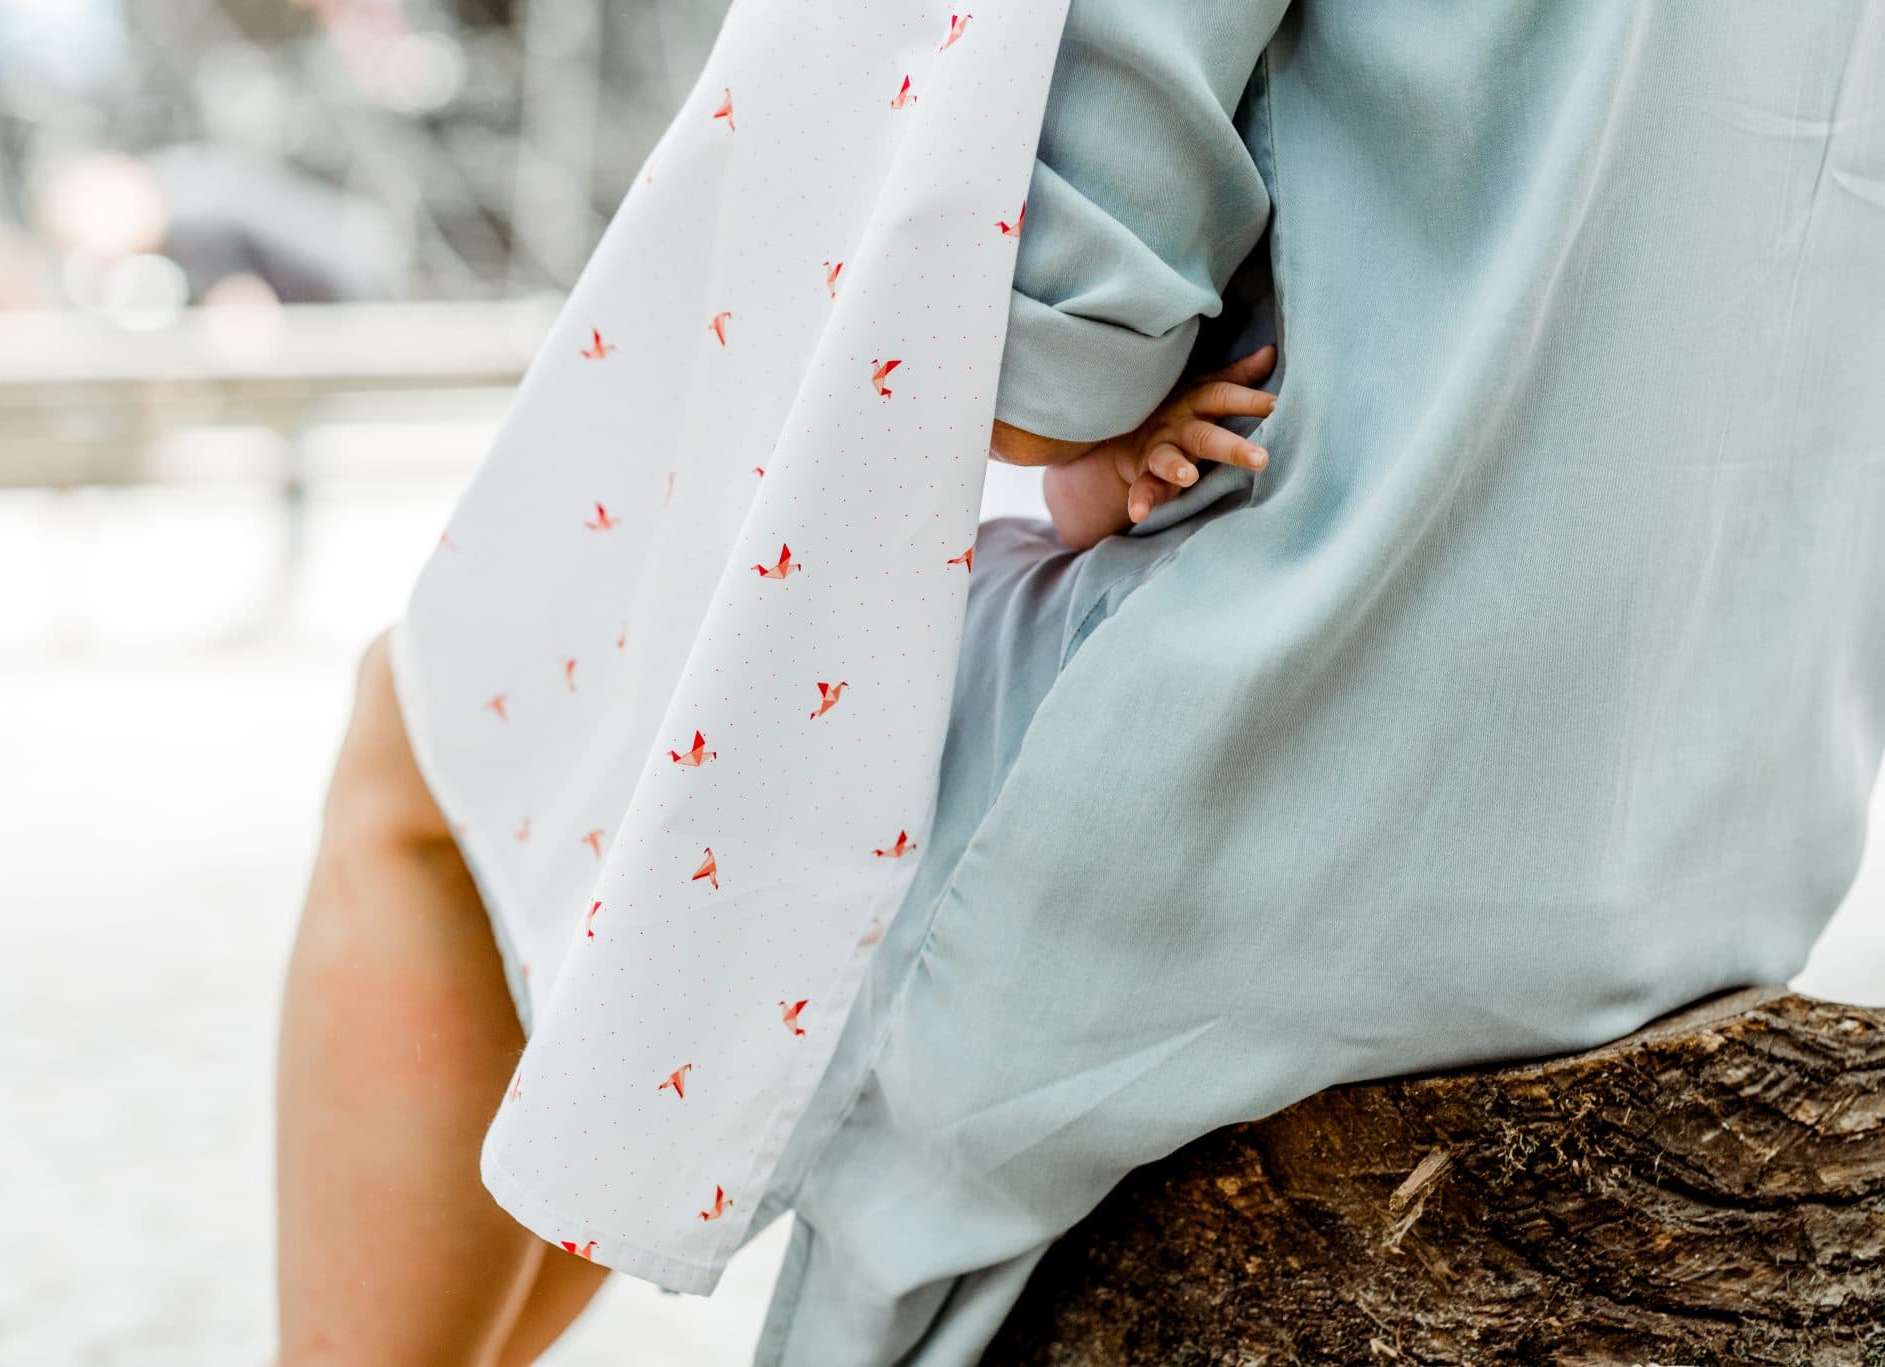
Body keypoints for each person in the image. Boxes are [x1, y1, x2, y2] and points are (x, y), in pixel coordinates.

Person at [274, 1, 1885, 1363]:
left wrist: (1070, 420)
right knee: (640, 801)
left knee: (438, 736)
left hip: (1278, 757)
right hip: (1711, 815)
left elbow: (1052, 349)